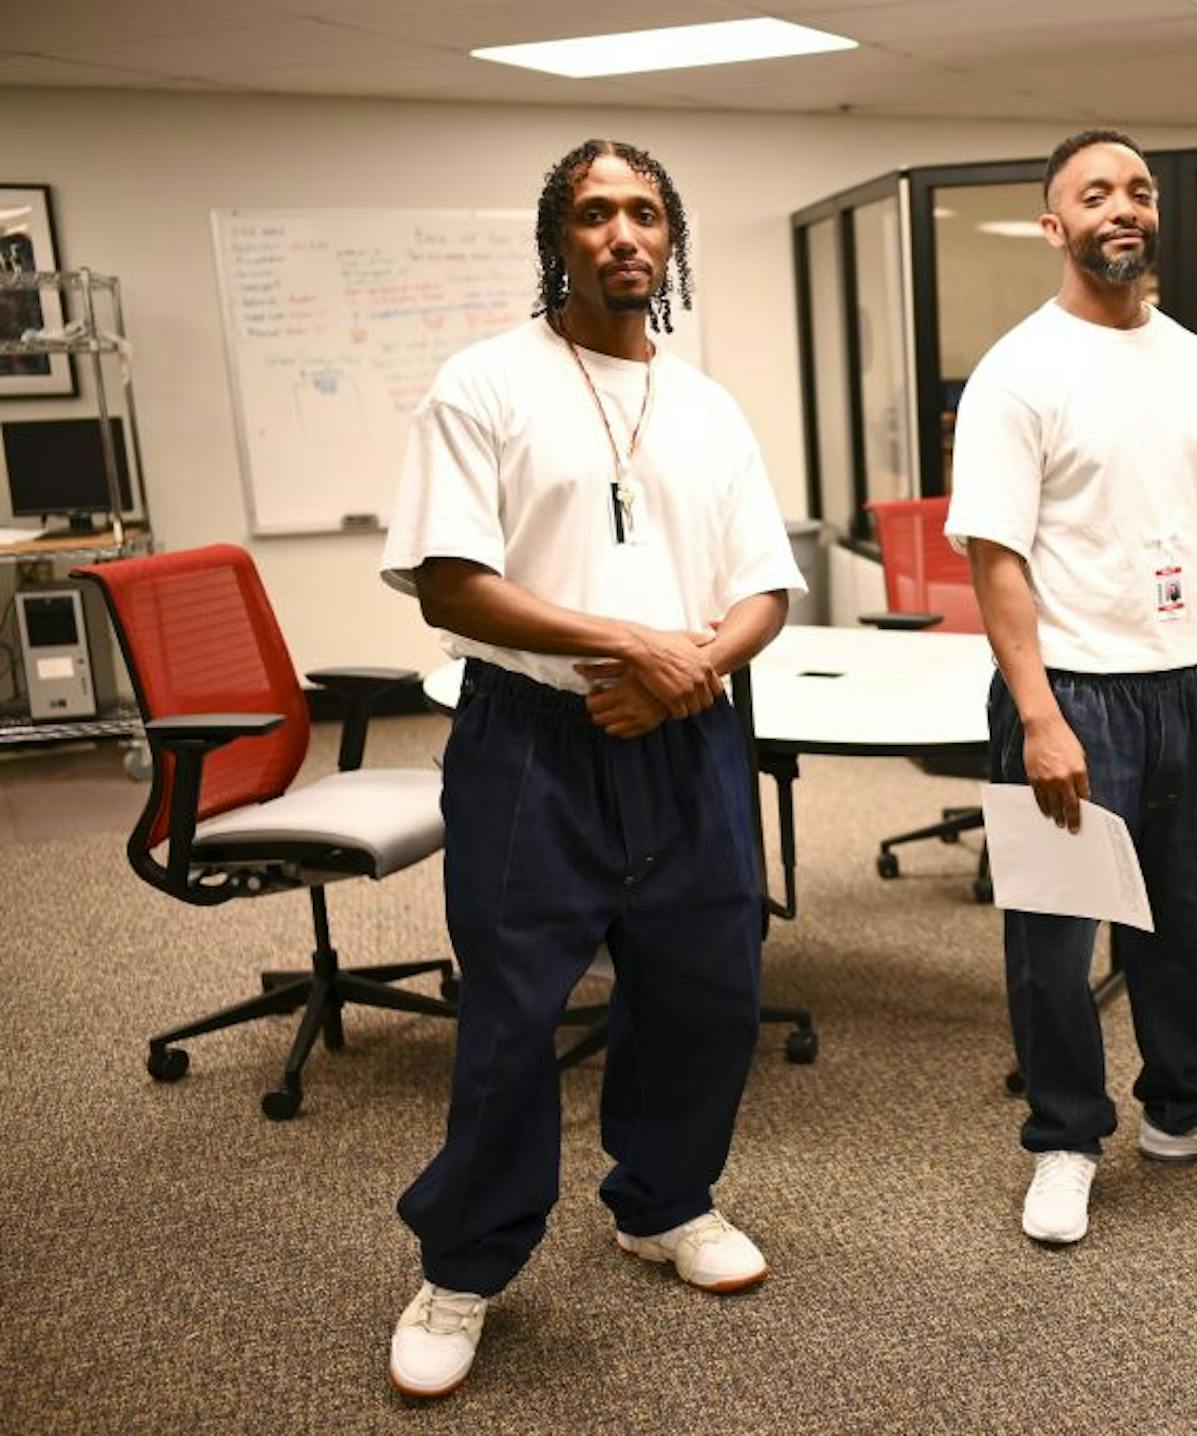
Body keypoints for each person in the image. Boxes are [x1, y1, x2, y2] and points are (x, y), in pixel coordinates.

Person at [377, 138, 805, 1396]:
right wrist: (632, 644)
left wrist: (693, 666)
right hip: (534, 745)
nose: (624, 233)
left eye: (647, 213)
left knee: (708, 989)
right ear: (555, 237)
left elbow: (765, 583)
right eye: (595, 212)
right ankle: (463, 1264)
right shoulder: (484, 383)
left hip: (689, 738)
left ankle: (665, 1199)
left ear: (671, 241)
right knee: (513, 1016)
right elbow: (450, 582)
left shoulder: (710, 403)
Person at [945, 129, 1197, 1246]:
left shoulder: (1194, 362)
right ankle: (1066, 1135)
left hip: (1184, 688)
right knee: (1055, 936)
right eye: (1095, 192)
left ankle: (1186, 1106)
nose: (1125, 207)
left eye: (1140, 190)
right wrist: (1040, 714)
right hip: (1073, 693)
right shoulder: (1020, 370)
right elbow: (995, 557)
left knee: (1194, 920)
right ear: (1053, 224)